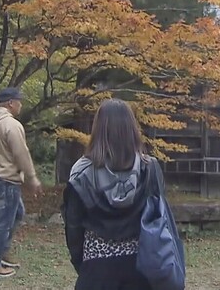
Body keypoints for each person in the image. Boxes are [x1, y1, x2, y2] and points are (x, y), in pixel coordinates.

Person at [63, 98, 159, 290]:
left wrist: (81, 264)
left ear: (97, 129)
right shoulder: (149, 168)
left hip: (96, 266)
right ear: (132, 128)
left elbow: (73, 225)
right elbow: (159, 216)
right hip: (141, 265)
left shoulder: (81, 172)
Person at [0, 87, 43, 278]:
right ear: (10, 103)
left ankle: (2, 251)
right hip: (6, 179)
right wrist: (32, 178)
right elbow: (21, 154)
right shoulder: (11, 125)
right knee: (4, 222)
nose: (21, 105)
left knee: (17, 213)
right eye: (19, 101)